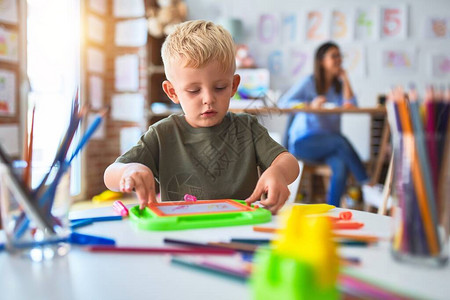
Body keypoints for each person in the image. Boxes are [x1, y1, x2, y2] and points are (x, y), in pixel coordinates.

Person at [104, 20, 299, 214]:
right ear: (172, 92)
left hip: (239, 227)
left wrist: (278, 172)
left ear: (233, 85)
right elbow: (110, 174)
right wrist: (128, 171)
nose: (208, 99)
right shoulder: (162, 134)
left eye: (220, 87)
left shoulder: (247, 127)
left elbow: (287, 161)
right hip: (183, 232)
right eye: (194, 90)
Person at [278, 41, 369, 207]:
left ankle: (331, 211)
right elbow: (283, 102)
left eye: (339, 56)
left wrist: (345, 78)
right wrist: (309, 105)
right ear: (321, 60)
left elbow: (351, 105)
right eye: (334, 56)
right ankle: (366, 183)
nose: (338, 59)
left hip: (330, 146)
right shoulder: (309, 82)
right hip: (304, 143)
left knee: (341, 166)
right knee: (339, 140)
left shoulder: (338, 86)